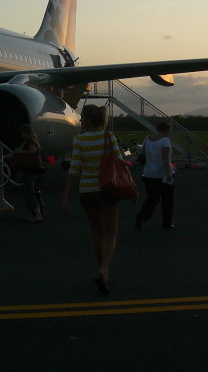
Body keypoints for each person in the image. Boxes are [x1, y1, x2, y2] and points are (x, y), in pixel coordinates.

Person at [61, 104, 131, 295]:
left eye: (82, 117)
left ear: (90, 119)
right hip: (107, 189)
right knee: (111, 234)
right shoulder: (109, 137)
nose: (81, 120)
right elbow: (120, 161)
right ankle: (105, 269)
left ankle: (103, 271)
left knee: (96, 233)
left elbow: (74, 168)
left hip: (87, 191)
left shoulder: (79, 140)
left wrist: (66, 195)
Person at [135, 121, 176, 230]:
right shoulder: (165, 140)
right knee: (167, 200)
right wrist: (168, 174)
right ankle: (167, 223)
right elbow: (165, 158)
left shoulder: (148, 139)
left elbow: (143, 153)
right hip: (161, 174)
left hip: (148, 173)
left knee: (152, 198)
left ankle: (142, 216)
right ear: (167, 130)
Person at [13, 124, 44, 223]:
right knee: (27, 192)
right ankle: (30, 215)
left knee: (30, 193)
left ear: (26, 133)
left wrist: (19, 152)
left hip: (30, 170)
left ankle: (38, 215)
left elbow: (32, 151)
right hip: (31, 170)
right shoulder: (32, 141)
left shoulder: (30, 142)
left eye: (23, 133)